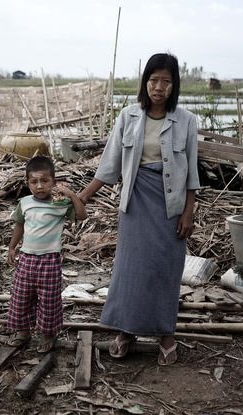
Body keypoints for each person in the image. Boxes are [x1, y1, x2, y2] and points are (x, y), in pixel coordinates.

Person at [78, 52, 199, 365]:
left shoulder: (186, 121)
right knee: (130, 269)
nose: (159, 87)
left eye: (166, 81)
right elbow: (109, 165)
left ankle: (165, 334)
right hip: (135, 201)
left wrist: (189, 212)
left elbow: (192, 174)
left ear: (175, 86)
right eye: (153, 80)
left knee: (165, 269)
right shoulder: (128, 116)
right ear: (145, 82)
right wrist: (82, 197)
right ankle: (125, 331)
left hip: (170, 203)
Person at [6, 155, 87, 352]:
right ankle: (23, 332)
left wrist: (71, 195)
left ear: (53, 181)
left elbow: (82, 215)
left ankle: (47, 335)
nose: (39, 186)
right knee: (21, 297)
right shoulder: (25, 203)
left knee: (49, 300)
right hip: (26, 258)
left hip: (50, 259)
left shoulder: (60, 204)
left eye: (45, 181)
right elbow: (19, 225)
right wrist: (11, 246)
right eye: (34, 182)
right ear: (27, 183)